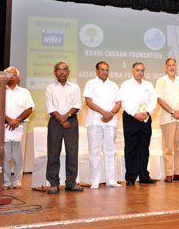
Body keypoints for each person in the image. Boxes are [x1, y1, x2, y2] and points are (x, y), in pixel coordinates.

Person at [45, 62, 83, 194]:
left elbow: (77, 104)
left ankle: (71, 183)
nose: (62, 72)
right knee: (53, 152)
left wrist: (67, 116)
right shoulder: (50, 88)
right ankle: (53, 183)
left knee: (72, 153)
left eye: (64, 69)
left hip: (71, 122)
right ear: (55, 72)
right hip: (55, 122)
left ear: (68, 72)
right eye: (59, 70)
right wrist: (61, 119)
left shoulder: (75, 87)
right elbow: (50, 107)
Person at [83, 61, 122, 189]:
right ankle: (95, 181)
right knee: (94, 151)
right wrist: (103, 113)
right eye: (102, 69)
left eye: (106, 69)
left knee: (110, 151)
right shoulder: (90, 83)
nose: (105, 72)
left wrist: (110, 114)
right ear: (97, 71)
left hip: (111, 121)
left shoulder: (113, 85)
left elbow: (119, 103)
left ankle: (111, 180)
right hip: (95, 121)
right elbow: (88, 101)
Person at [120, 62, 157, 186]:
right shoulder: (126, 85)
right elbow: (124, 102)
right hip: (131, 118)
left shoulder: (149, 85)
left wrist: (147, 112)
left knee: (144, 148)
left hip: (146, 119)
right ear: (132, 71)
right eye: (137, 70)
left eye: (142, 70)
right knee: (131, 148)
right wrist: (135, 114)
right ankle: (130, 177)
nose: (140, 72)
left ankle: (144, 176)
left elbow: (153, 102)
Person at [156, 58, 179, 183]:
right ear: (166, 67)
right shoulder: (161, 81)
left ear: (176, 67)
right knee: (168, 147)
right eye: (169, 65)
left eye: (173, 65)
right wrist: (172, 112)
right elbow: (159, 99)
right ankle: (169, 174)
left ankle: (178, 173)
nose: (171, 67)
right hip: (167, 118)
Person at [3, 67, 34, 189]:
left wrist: (17, 120)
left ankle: (17, 181)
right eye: (8, 74)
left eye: (14, 75)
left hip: (20, 126)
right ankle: (5, 182)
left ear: (18, 78)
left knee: (19, 156)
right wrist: (9, 120)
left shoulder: (25, 92)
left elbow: (29, 108)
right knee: (5, 156)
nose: (11, 76)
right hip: (4, 126)